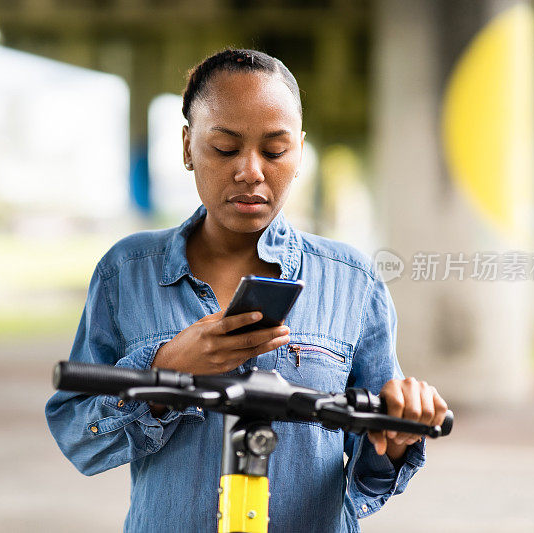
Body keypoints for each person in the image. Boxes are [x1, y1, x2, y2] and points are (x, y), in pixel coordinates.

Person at [45, 48, 448, 532]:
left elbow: (370, 475)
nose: (251, 171)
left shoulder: (351, 280)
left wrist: (396, 435)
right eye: (225, 148)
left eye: (275, 150)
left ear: (299, 151)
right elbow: (80, 438)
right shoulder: (127, 272)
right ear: (187, 146)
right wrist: (166, 369)